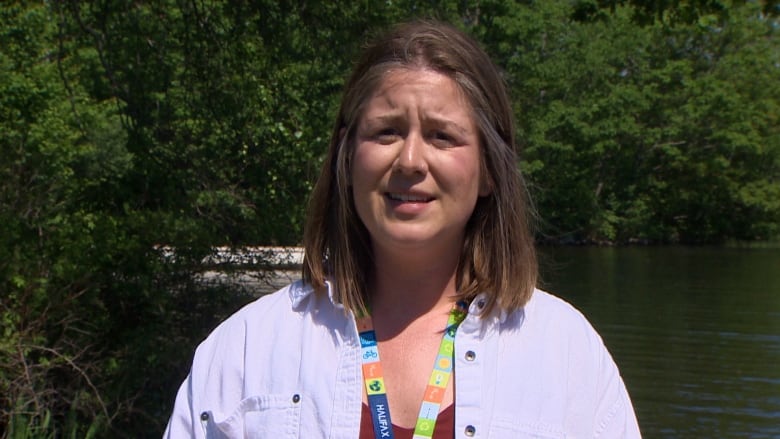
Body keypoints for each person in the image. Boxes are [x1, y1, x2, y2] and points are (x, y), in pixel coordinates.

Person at [164, 20, 641, 438]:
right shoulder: (248, 349)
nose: (410, 161)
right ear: (347, 157)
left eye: (442, 136)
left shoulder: (567, 354)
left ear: (490, 170)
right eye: (387, 131)